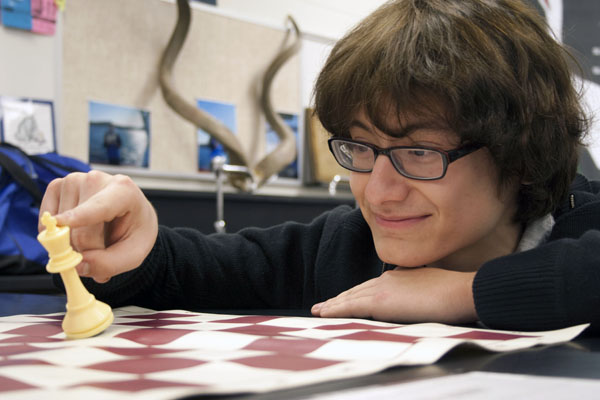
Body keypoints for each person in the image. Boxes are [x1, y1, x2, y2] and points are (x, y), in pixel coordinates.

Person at [40, 0, 600, 333]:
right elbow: (202, 269)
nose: (378, 193)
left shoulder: (579, 227)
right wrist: (138, 244)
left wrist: (461, 293)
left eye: (418, 153)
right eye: (360, 147)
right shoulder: (342, 246)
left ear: (521, 156)